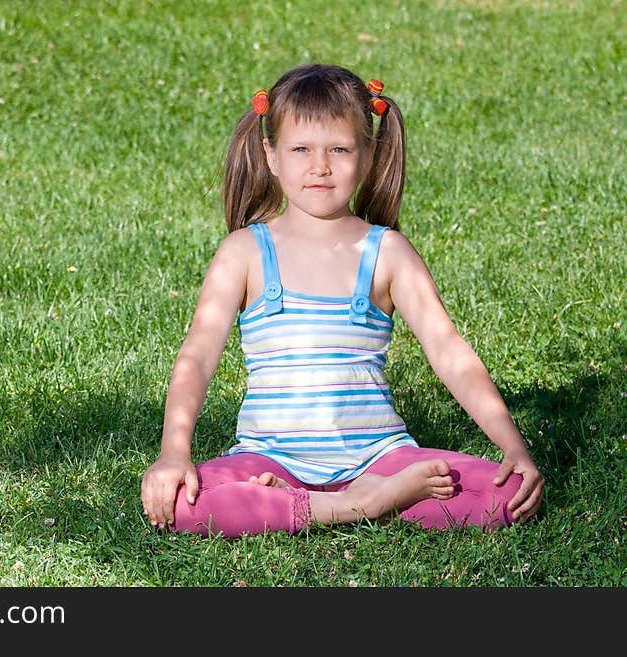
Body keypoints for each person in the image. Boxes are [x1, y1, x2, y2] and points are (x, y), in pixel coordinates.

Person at [140, 63, 544, 538]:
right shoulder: (244, 253)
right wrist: (173, 454)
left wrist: (512, 446)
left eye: (338, 148)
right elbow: (197, 358)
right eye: (301, 149)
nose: (320, 166)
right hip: (269, 457)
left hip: (380, 455)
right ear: (271, 155)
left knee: (509, 496)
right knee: (179, 506)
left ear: (368, 155)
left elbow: (449, 352)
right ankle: (362, 504)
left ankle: (301, 505)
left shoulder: (386, 252)